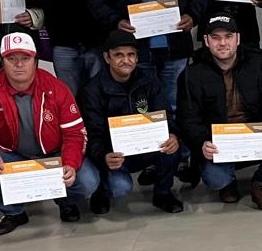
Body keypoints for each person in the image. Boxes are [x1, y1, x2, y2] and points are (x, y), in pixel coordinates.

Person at [0, 31, 98, 234]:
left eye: (25, 58)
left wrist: (70, 163)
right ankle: (14, 212)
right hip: (13, 156)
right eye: (11, 58)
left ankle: (66, 201)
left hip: (53, 155)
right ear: (1, 61)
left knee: (88, 180)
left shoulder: (57, 88)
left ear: (35, 61)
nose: (19, 64)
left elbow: (75, 133)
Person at [175, 13, 262, 211]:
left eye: (228, 36)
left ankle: (261, 181)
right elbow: (187, 119)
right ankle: (227, 182)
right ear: (206, 41)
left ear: (238, 38)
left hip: (256, 136)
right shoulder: (191, 75)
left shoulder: (261, 63)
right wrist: (201, 142)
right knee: (216, 180)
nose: (222, 43)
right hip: (218, 142)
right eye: (216, 38)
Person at [77, 30, 183, 214]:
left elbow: (165, 115)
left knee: (172, 147)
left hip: (147, 147)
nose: (126, 60)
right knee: (120, 187)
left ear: (137, 57)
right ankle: (101, 192)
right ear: (107, 57)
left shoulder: (150, 80)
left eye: (131, 55)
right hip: (115, 154)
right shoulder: (91, 91)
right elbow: (93, 135)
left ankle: (163, 193)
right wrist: (103, 156)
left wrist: (173, 135)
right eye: (119, 55)